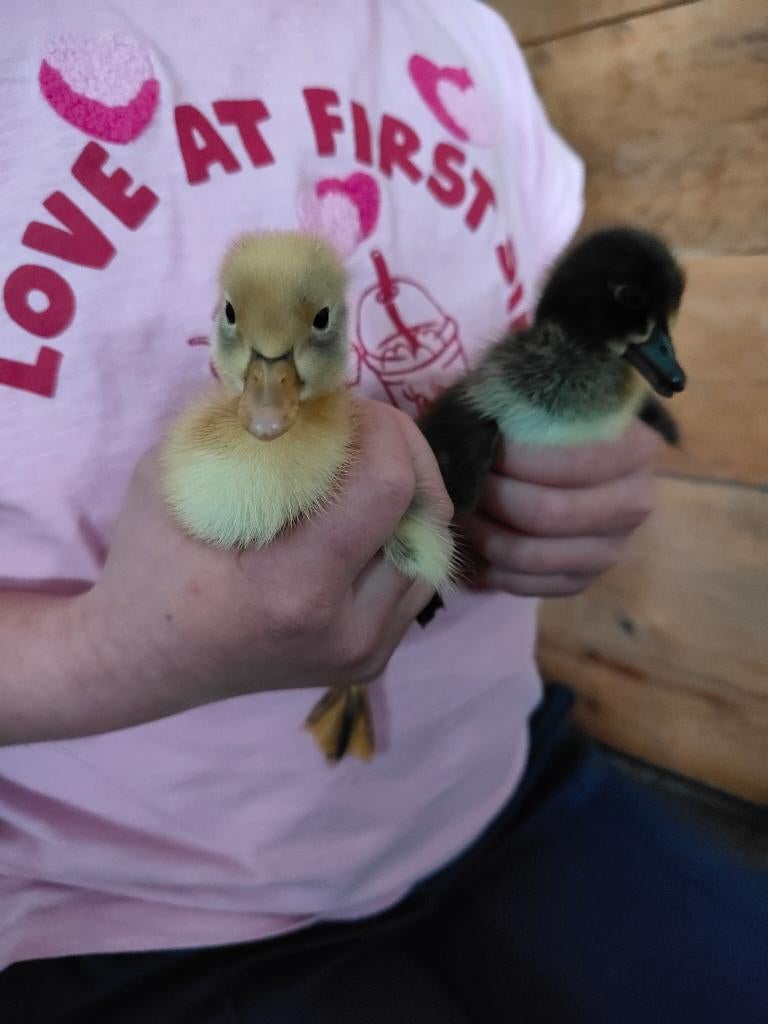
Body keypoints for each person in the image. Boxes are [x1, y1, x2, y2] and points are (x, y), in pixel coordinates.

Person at [0, 2, 764, 1021]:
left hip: (503, 775)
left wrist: (591, 469)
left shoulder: (463, 38)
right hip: (137, 905)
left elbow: (549, 342)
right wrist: (108, 652)